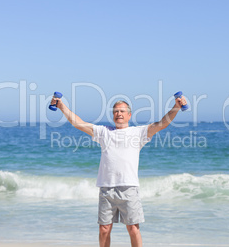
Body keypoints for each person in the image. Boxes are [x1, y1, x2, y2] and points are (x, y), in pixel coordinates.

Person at [50, 94, 187, 247]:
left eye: (122, 111)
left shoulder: (138, 133)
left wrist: (176, 107)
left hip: (129, 188)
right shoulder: (104, 132)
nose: (119, 114)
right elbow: (78, 123)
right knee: (104, 229)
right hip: (106, 188)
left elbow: (162, 124)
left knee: (133, 228)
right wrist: (61, 106)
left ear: (129, 115)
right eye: (116, 111)